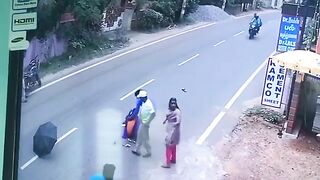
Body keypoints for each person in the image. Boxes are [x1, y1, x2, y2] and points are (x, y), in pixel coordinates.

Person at [131, 90, 156, 158]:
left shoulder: (148, 104)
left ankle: (148, 152)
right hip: (143, 122)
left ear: (143, 97)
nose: (139, 99)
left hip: (145, 124)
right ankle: (137, 150)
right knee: (140, 137)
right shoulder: (144, 102)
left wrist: (147, 122)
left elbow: (153, 114)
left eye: (140, 98)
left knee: (145, 139)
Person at [161, 98, 181, 168]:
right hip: (170, 129)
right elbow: (168, 116)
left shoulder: (177, 111)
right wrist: (165, 120)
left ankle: (168, 163)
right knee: (173, 146)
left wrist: (174, 125)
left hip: (173, 131)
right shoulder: (170, 110)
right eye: (172, 103)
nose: (173, 105)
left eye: (174, 103)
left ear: (176, 104)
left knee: (168, 146)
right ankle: (173, 159)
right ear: (169, 103)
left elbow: (178, 121)